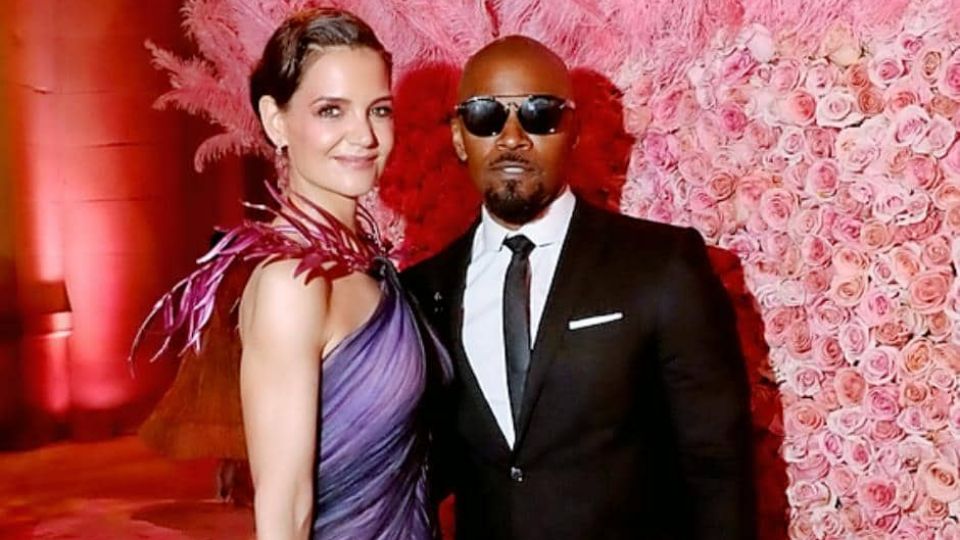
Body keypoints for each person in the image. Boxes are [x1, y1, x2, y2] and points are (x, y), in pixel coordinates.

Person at [402, 36, 755, 539]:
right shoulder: (424, 291)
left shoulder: (661, 265)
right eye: (485, 116)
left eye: (539, 114)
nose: (511, 138)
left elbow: (717, 467)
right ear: (460, 137)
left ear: (573, 130)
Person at [133, 8, 449, 539]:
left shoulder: (360, 260)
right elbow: (284, 511)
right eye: (331, 110)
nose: (364, 135)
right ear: (276, 121)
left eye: (378, 110)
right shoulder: (293, 283)